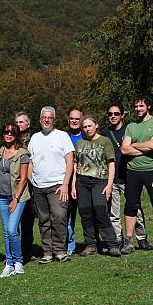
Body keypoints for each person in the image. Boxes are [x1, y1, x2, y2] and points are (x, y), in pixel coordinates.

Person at [120, 95, 153, 253]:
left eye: (141, 106)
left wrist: (134, 145)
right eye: (136, 106)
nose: (138, 109)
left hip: (152, 171)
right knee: (131, 206)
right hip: (133, 172)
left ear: (148, 106)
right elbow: (124, 149)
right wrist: (145, 147)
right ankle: (128, 241)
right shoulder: (131, 126)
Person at [27, 106, 75, 264]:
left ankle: (60, 251)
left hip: (57, 185)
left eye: (50, 117)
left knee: (60, 217)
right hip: (39, 186)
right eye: (44, 117)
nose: (46, 120)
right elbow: (30, 162)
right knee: (43, 220)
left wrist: (65, 184)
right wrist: (32, 182)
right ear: (40, 119)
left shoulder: (62, 136)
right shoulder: (34, 138)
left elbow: (70, 161)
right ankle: (47, 252)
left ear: (54, 120)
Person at [102, 103, 152, 250]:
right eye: (110, 114)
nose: (113, 116)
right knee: (113, 213)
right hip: (112, 178)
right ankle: (118, 240)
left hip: (130, 176)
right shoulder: (104, 133)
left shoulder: (131, 129)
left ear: (122, 115)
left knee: (135, 209)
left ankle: (141, 238)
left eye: (116, 114)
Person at [72, 115, 120, 256]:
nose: (87, 129)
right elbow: (75, 165)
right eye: (84, 127)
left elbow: (111, 163)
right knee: (85, 213)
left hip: (99, 181)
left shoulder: (105, 141)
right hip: (82, 182)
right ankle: (91, 244)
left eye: (89, 126)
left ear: (96, 125)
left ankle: (112, 244)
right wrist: (73, 185)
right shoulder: (79, 143)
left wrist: (110, 184)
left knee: (100, 211)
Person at [0, 123, 31, 277]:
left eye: (12, 132)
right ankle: (8, 263)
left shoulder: (22, 153)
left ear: (16, 134)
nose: (9, 134)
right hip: (2, 196)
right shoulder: (1, 150)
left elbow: (23, 179)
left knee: (12, 229)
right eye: (6, 132)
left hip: (18, 197)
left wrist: (15, 198)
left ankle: (18, 262)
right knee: (6, 231)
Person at [14, 110, 37, 263]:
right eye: (16, 122)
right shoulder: (10, 139)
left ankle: (27, 250)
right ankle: (15, 252)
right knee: (13, 221)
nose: (18, 125)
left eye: (21, 122)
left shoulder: (35, 140)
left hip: (31, 185)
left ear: (28, 124)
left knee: (28, 221)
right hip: (14, 185)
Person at [66, 108, 84, 254]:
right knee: (68, 214)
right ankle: (69, 244)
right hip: (66, 181)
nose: (74, 121)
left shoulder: (87, 136)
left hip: (84, 181)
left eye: (77, 119)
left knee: (87, 213)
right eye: (72, 118)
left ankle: (91, 242)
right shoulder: (62, 136)